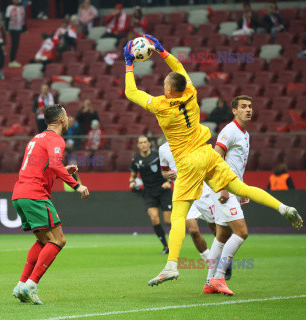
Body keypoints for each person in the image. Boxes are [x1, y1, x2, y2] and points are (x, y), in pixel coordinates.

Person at [123, 34, 302, 287]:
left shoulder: (161, 105)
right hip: (207, 153)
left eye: (165, 84)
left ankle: (171, 265)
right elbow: (178, 69)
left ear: (168, 90)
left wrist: (129, 62)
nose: (164, 85)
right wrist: (162, 51)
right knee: (240, 188)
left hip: (187, 162)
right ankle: (283, 207)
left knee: (178, 216)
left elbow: (131, 92)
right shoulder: (191, 93)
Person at [11, 104, 89, 305]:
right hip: (36, 195)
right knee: (59, 240)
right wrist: (76, 185)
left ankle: (21, 285)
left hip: (20, 194)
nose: (69, 119)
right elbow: (54, 164)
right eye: (67, 116)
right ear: (61, 119)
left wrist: (63, 169)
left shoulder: (36, 138)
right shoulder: (56, 139)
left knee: (44, 241)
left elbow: (44, 166)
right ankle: (31, 285)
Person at [203, 96, 255, 295]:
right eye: (243, 107)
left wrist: (241, 189)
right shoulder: (230, 130)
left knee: (223, 234)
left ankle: (209, 282)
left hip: (233, 188)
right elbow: (216, 157)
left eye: (250, 106)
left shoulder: (245, 134)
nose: (248, 110)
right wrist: (224, 187)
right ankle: (219, 276)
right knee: (241, 232)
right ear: (234, 111)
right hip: (224, 188)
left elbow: (237, 163)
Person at [159, 141, 224, 270]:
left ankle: (223, 258)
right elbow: (164, 171)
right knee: (193, 231)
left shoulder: (192, 140)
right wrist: (168, 175)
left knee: (215, 229)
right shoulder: (163, 149)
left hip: (203, 191)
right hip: (183, 193)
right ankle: (212, 264)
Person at [130, 136, 172, 254]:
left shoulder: (157, 156)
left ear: (149, 144)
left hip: (163, 191)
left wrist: (168, 182)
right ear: (138, 145)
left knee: (168, 221)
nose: (143, 144)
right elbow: (132, 175)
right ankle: (166, 246)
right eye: (140, 143)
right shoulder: (136, 160)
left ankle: (178, 232)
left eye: (145, 142)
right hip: (149, 193)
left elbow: (169, 171)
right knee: (154, 218)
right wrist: (132, 182)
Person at [5, 0, 26, 68]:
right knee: (14, 43)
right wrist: (7, 28)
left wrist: (24, 27)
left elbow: (22, 18)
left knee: (16, 44)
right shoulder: (10, 7)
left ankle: (13, 59)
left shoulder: (21, 8)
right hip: (12, 27)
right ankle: (12, 60)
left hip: (18, 27)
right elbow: (7, 18)